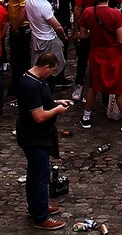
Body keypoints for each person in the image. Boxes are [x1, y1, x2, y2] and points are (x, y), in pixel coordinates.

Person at [15, 53, 70, 231]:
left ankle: (38, 206)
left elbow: (40, 102)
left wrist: (54, 102)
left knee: (36, 173)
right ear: (45, 67)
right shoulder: (30, 85)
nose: (51, 74)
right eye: (52, 71)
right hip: (35, 136)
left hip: (37, 135)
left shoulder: (35, 80)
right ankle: (40, 217)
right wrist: (57, 110)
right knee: (40, 175)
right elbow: (38, 116)